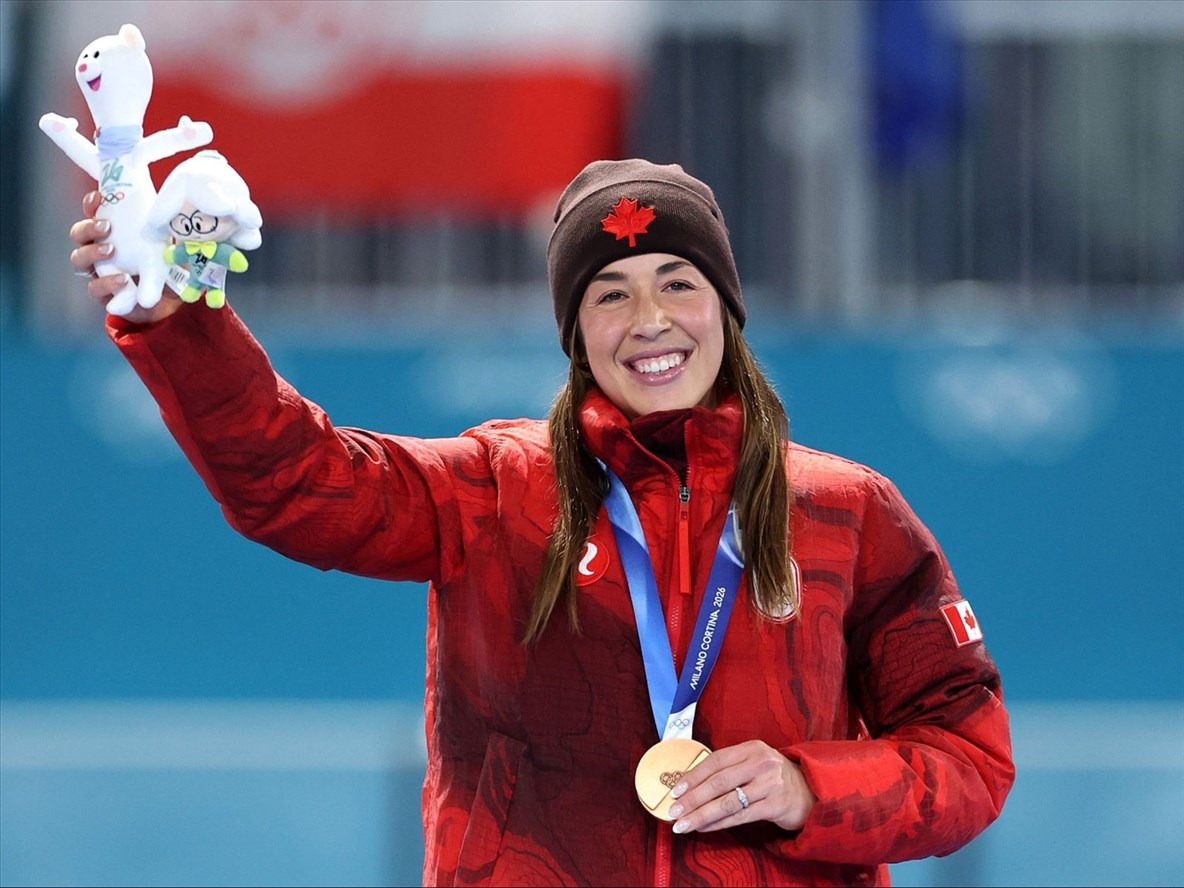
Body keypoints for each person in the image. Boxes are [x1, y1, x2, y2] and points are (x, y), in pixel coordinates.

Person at [68, 158, 1014, 887]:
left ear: (726, 310)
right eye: (611, 293)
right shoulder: (494, 491)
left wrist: (811, 786)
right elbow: (296, 481)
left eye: (677, 282)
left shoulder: (846, 513)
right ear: (575, 334)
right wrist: (180, 319)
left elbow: (967, 753)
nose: (650, 318)